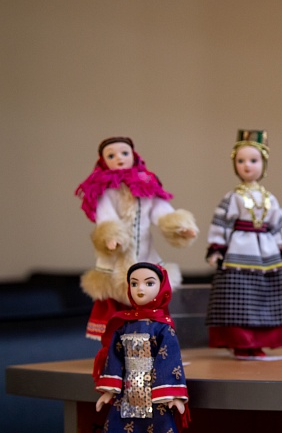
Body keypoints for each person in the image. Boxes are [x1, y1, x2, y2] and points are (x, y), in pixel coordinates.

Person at [84, 262, 189, 433]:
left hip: (156, 398)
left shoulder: (163, 328)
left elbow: (170, 360)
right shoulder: (123, 326)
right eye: (134, 283)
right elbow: (115, 358)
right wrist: (109, 390)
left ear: (162, 288)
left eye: (149, 283)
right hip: (128, 395)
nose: (140, 289)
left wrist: (174, 394)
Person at [75, 136, 198, 340]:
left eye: (124, 153)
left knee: (151, 292)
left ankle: (155, 341)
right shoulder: (106, 190)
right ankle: (116, 345)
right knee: (116, 297)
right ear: (103, 161)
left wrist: (179, 226)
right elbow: (105, 216)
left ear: (134, 155)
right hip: (116, 257)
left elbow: (160, 210)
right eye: (111, 156)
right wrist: (111, 235)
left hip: (145, 253)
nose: (119, 158)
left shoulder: (146, 183)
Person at [206, 130, 282, 360]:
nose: (247, 165)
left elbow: (279, 223)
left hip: (266, 252)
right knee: (238, 299)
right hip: (238, 251)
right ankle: (240, 342)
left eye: (253, 160)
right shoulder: (232, 197)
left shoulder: (269, 198)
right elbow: (221, 222)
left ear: (263, 164)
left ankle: (258, 342)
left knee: (264, 298)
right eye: (241, 161)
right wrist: (216, 247)